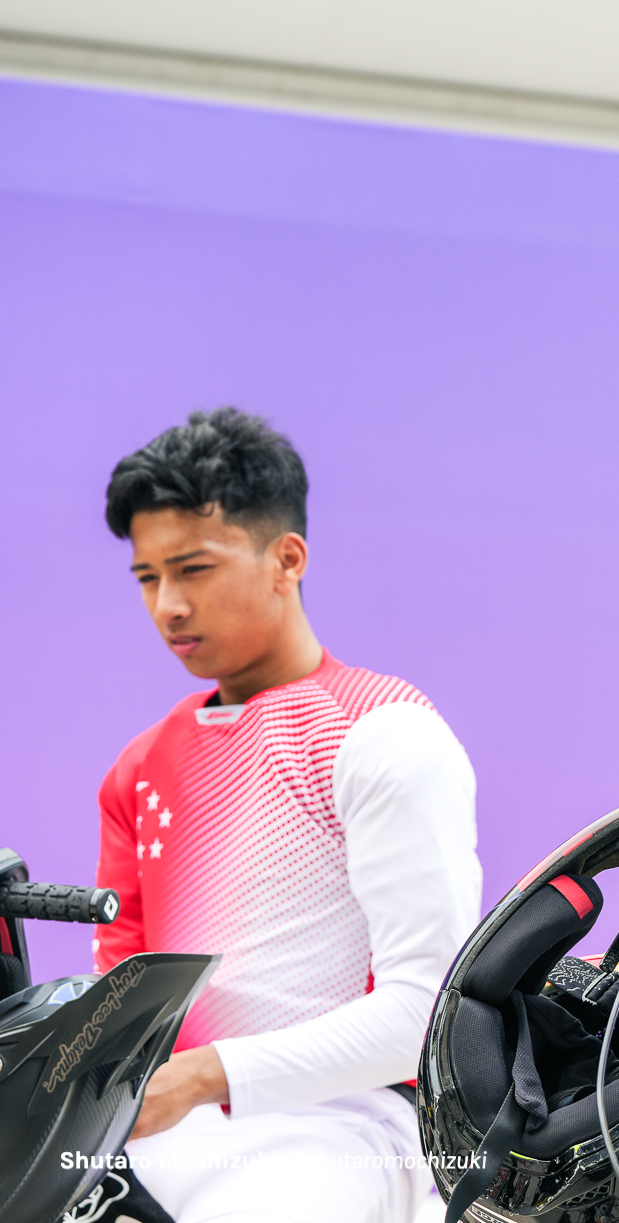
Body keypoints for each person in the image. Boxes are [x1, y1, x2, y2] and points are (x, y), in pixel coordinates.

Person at [92, 409, 483, 1223]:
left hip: (346, 1128)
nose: (167, 605)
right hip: (149, 1126)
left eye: (193, 568)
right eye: (146, 577)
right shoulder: (137, 768)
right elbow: (117, 1010)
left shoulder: (386, 733)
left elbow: (426, 1013)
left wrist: (207, 1076)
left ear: (287, 559)